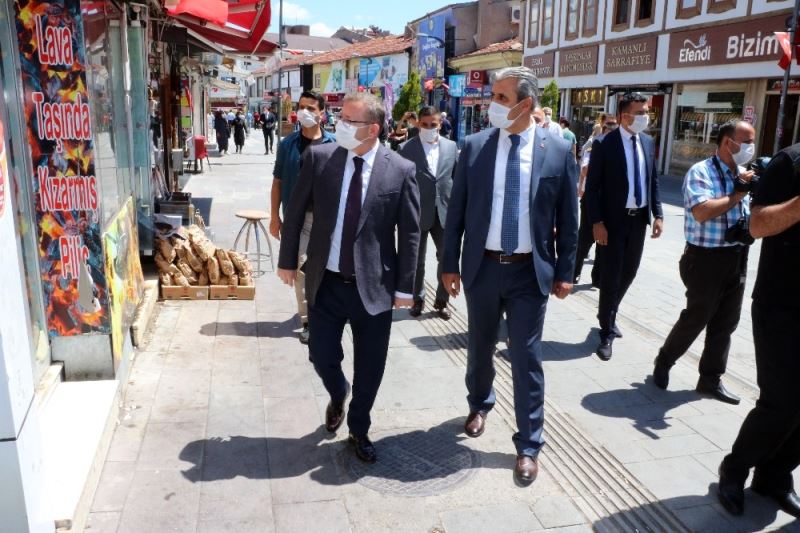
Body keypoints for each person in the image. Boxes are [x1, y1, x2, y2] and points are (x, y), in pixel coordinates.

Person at [442, 66, 578, 486]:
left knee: (526, 357)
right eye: (493, 96)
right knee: (480, 346)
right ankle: (480, 403)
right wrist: (448, 264)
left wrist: (566, 271)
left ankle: (529, 443)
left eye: (501, 97)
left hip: (528, 273)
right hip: (482, 266)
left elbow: (569, 218)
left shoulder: (558, 150)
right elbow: (456, 211)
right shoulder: (475, 146)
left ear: (526, 104)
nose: (492, 104)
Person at [276, 92, 420, 464]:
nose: (340, 125)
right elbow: (295, 212)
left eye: (349, 121)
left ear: (373, 129)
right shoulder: (320, 158)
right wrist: (288, 260)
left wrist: (406, 288)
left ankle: (359, 427)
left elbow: (410, 233)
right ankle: (338, 390)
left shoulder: (400, 169)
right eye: (340, 118)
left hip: (374, 287)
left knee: (371, 366)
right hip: (325, 281)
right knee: (320, 353)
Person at [717, 143, 800, 519]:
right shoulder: (790, 162)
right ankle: (735, 468)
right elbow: (757, 224)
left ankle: (775, 476)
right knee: (781, 402)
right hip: (783, 305)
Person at [652, 120, 756, 405]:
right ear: (728, 143)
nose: (751, 148)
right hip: (705, 259)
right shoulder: (701, 172)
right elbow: (701, 211)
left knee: (726, 322)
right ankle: (665, 359)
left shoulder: (744, 175)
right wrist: (737, 195)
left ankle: (710, 379)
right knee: (697, 317)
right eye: (746, 142)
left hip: (737, 255)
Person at [585, 92, 663, 361]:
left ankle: (608, 312)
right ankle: (606, 331)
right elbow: (592, 189)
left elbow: (652, 180)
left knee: (630, 271)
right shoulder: (604, 144)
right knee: (611, 275)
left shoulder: (648, 142)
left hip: (638, 219)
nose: (645, 117)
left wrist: (658, 214)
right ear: (623, 115)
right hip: (612, 222)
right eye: (640, 112)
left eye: (646, 112)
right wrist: (597, 222)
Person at [270, 91, 336, 344]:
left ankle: (326, 312)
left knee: (327, 268)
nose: (305, 112)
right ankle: (308, 320)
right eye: (301, 107)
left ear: (322, 113)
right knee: (300, 268)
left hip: (327, 218)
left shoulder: (334, 144)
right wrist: (274, 217)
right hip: (298, 218)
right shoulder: (288, 145)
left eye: (311, 108)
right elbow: (277, 183)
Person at [398, 106, 458, 320]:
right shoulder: (406, 149)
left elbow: (457, 179)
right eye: (425, 124)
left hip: (444, 212)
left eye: (433, 124)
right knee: (416, 260)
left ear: (440, 124)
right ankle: (417, 299)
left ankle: (442, 301)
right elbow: (400, 183)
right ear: (418, 124)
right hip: (416, 213)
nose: (429, 128)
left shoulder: (451, 147)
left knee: (446, 257)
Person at [573, 123, 603, 285]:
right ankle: (575, 271)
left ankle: (597, 276)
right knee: (585, 237)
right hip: (590, 198)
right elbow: (584, 170)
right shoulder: (592, 150)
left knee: (604, 242)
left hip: (608, 201)